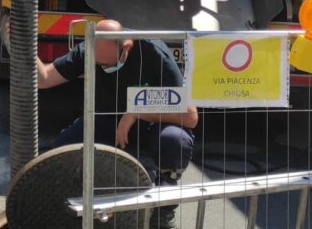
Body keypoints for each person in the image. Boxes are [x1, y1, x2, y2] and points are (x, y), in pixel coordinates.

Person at [37, 19, 197, 185]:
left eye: (106, 63)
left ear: (126, 47)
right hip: (108, 121)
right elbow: (44, 79)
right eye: (98, 63)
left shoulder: (154, 52)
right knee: (62, 152)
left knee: (174, 139)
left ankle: (166, 189)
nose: (103, 67)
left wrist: (136, 112)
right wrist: (25, 44)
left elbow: (191, 116)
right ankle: (84, 190)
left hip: (152, 125)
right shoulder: (89, 50)